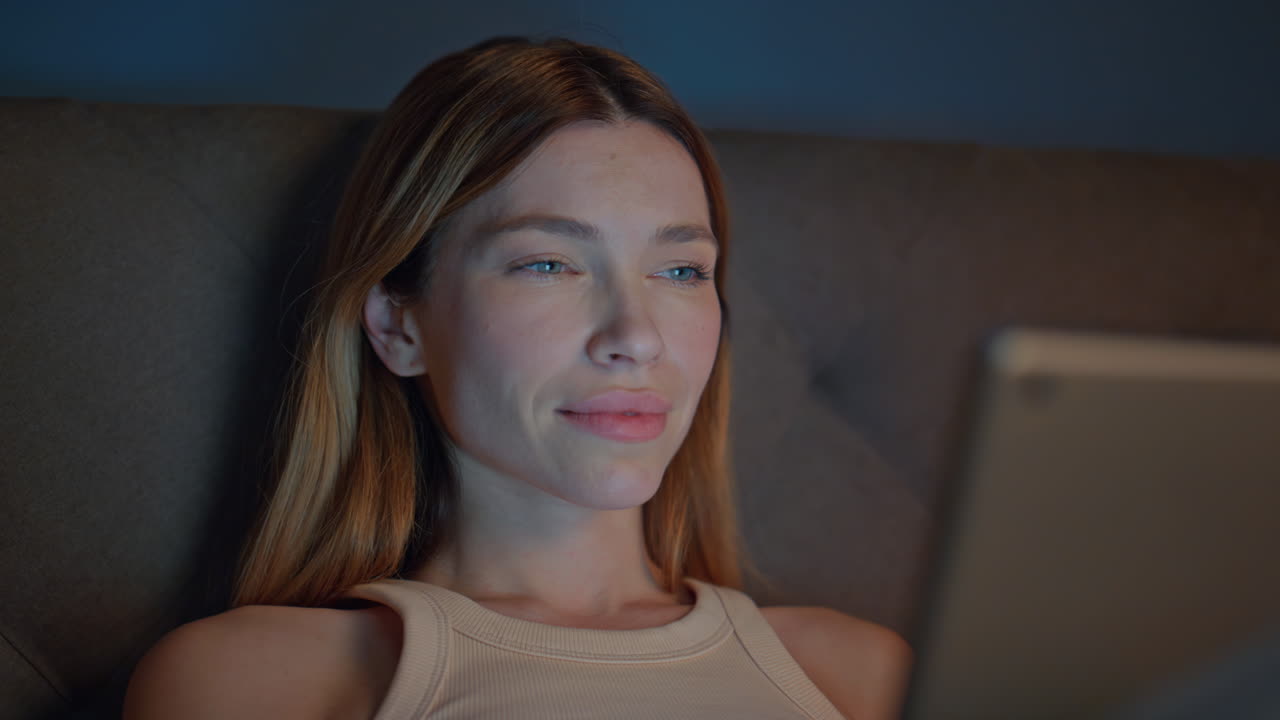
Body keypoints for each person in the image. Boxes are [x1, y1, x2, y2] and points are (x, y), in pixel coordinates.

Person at [123, 35, 911, 720]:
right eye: (549, 263)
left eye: (679, 269)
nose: (635, 339)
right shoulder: (254, 682)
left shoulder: (864, 676)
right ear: (399, 327)